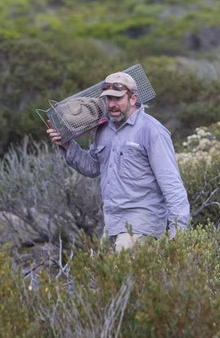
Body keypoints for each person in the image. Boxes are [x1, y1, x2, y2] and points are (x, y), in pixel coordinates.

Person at [46, 71, 190, 251]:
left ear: (133, 98)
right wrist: (67, 145)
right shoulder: (103, 129)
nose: (112, 105)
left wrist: (179, 234)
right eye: (108, 99)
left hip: (142, 224)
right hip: (112, 224)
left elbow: (172, 186)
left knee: (120, 276)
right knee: (104, 277)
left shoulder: (152, 131)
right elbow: (92, 167)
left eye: (117, 98)